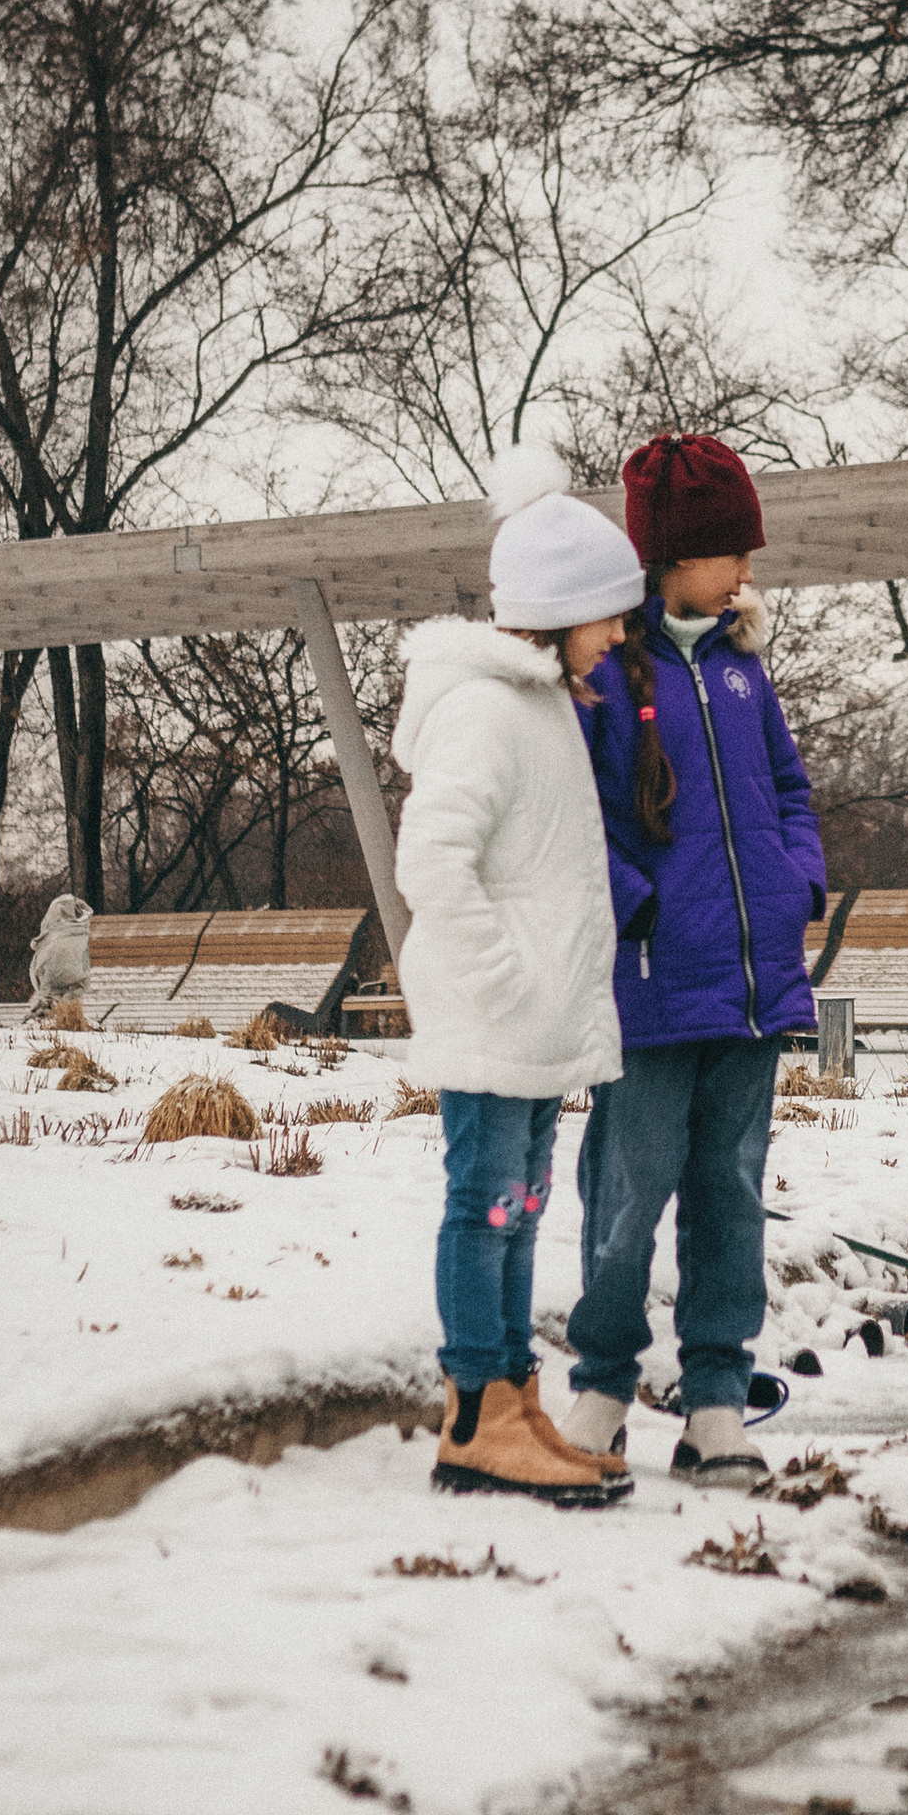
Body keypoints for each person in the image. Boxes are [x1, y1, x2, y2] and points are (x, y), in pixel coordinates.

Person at [557, 429, 826, 1492]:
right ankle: (602, 1392)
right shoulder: (606, 679)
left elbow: (793, 796)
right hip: (657, 989)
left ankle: (716, 1401)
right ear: (675, 556)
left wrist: (796, 883)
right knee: (628, 1193)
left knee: (730, 1193)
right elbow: (578, 821)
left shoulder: (746, 676)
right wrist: (641, 914)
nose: (747, 573)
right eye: (732, 553)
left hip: (755, 993)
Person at [390, 446, 644, 1505]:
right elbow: (429, 861)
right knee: (484, 1204)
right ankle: (473, 1417)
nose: (621, 637)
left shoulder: (544, 704)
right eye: (607, 617)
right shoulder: (487, 711)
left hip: (533, 1025)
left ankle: (510, 1399)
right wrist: (500, 982)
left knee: (521, 1208)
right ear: (553, 613)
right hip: (498, 1020)